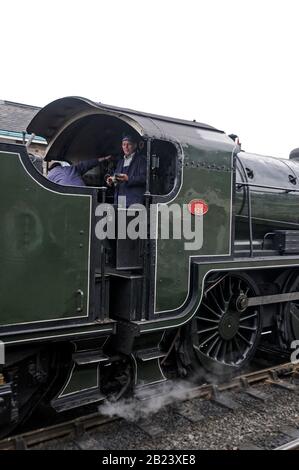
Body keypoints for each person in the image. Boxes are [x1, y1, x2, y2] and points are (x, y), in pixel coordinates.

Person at [106, 135, 147, 206]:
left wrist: (128, 178)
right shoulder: (120, 162)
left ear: (135, 145)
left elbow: (144, 179)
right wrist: (112, 179)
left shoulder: (141, 160)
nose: (126, 147)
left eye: (129, 144)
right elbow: (117, 177)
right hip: (120, 200)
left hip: (134, 201)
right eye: (124, 144)